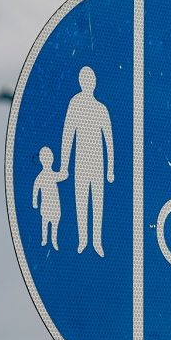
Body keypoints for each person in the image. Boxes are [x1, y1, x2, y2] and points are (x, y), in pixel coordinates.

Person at [58, 66, 114, 257]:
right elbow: (68, 135)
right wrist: (64, 166)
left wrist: (110, 169)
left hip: (97, 163)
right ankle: (83, 240)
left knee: (98, 203)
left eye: (90, 79)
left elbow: (109, 140)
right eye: (85, 79)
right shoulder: (75, 104)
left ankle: (97, 241)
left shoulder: (101, 108)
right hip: (81, 162)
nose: (88, 82)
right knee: (80, 202)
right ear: (81, 82)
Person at [33, 146, 62, 250]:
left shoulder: (52, 174)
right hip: (46, 206)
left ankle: (54, 241)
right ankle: (44, 239)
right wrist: (34, 202)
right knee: (45, 223)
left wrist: (65, 174)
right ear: (41, 160)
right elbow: (36, 188)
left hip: (55, 206)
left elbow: (60, 176)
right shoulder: (41, 176)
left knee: (55, 224)